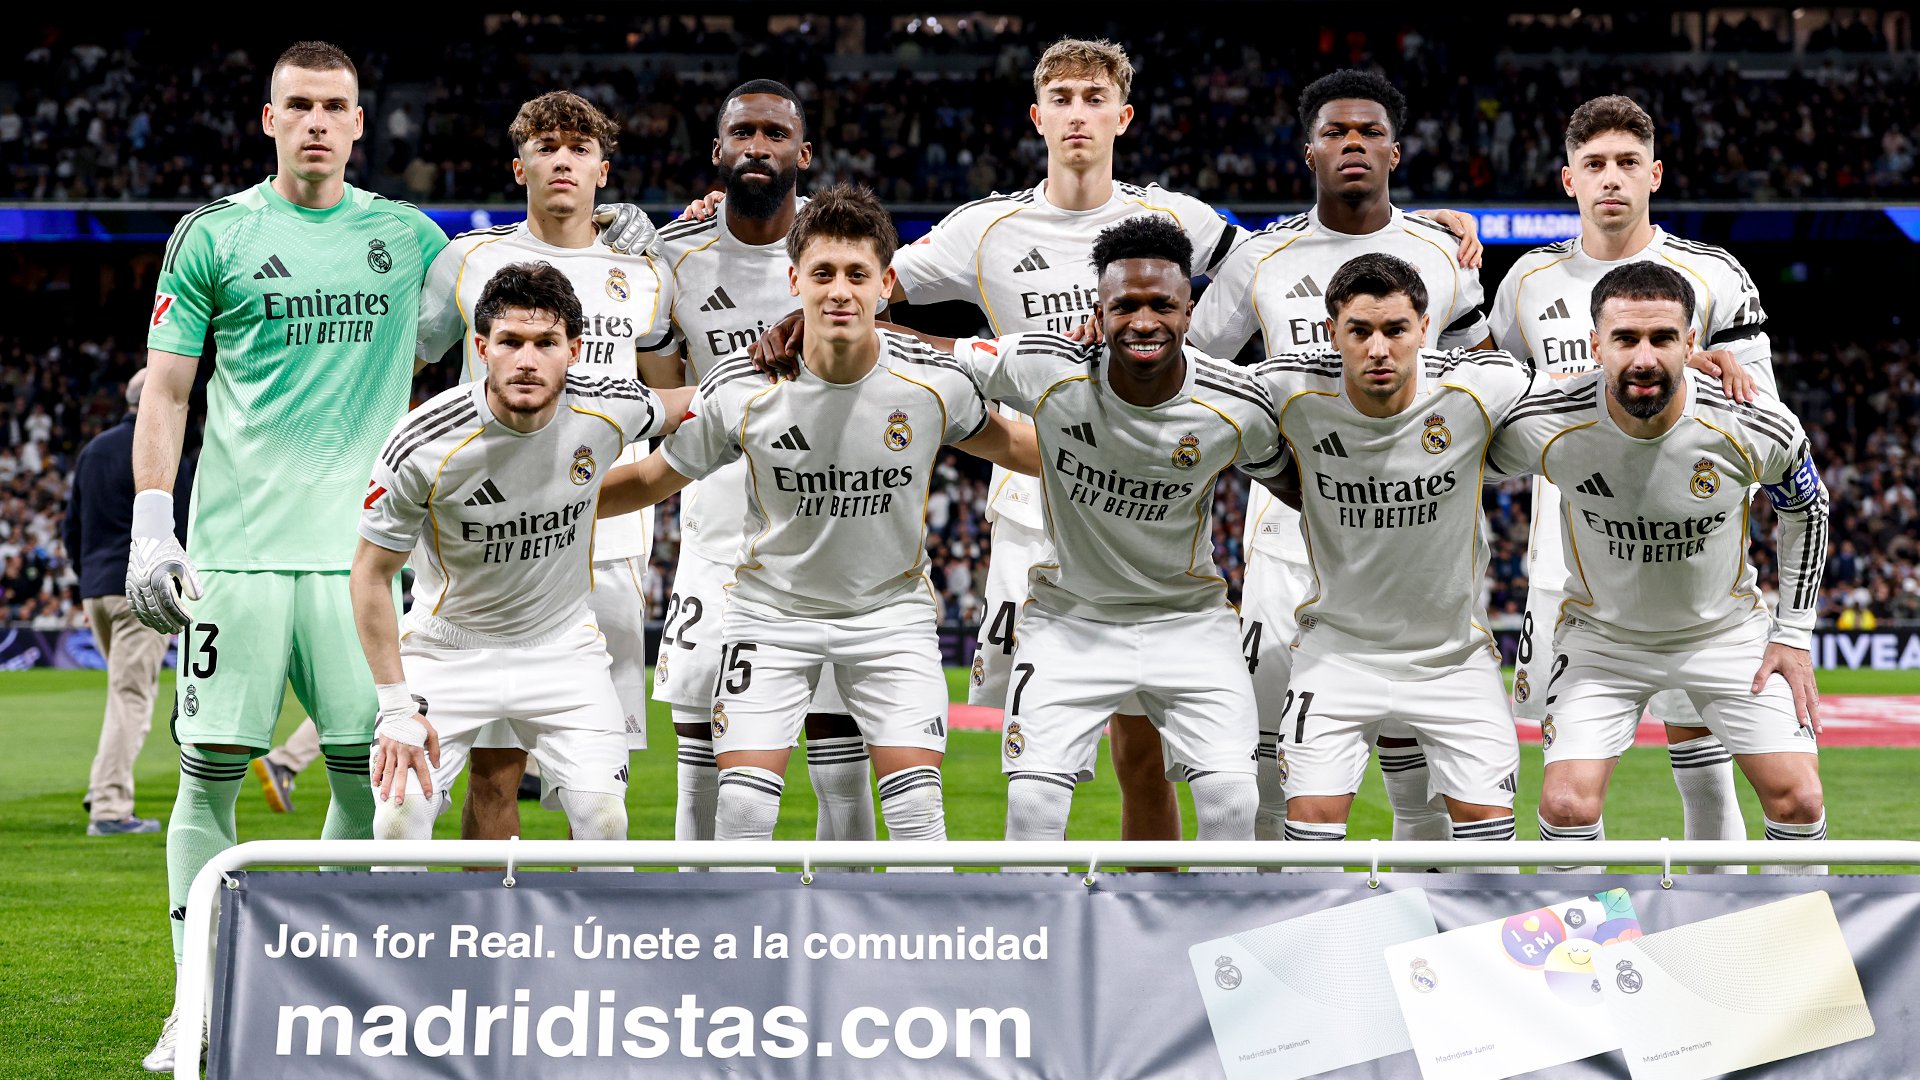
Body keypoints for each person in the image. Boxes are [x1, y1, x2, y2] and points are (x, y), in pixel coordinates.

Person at [125, 41, 448, 1072]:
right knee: (209, 777)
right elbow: (168, 389)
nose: (317, 121)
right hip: (238, 557)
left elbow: (511, 301)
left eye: (335, 106)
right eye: (298, 105)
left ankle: (335, 992)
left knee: (374, 781)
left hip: (361, 564)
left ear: (362, 125)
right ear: (270, 120)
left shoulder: (410, 238)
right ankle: (198, 1001)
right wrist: (150, 520)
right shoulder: (214, 234)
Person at [596, 185, 1037, 853]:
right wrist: (546, 499)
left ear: (886, 284)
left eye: (857, 275)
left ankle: (911, 958)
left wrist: (1137, 461)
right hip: (771, 617)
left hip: (889, 619)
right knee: (741, 811)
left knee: (918, 812)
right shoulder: (741, 389)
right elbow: (653, 479)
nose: (839, 291)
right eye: (823, 273)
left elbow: (1022, 451)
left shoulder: (934, 382)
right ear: (793, 278)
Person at [1186, 69, 1493, 850]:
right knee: (1263, 749)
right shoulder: (1263, 258)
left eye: (1368, 133)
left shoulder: (1441, 252)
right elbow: (1192, 373)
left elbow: (1483, 375)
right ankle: (1263, 928)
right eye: (1335, 133)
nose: (1351, 143)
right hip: (1288, 533)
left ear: (1395, 151)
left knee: (1420, 765)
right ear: (1308, 151)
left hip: (1418, 536)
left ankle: (1426, 939)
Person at [1489, 95, 1769, 869]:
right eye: (1593, 164)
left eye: (1625, 163)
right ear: (1568, 180)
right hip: (1566, 573)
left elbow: (1763, 416)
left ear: (1655, 174)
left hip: (1692, 577)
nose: (1611, 178)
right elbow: (1492, 396)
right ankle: (1585, 950)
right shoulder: (1528, 281)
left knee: (1706, 778)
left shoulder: (1713, 275)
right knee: (1568, 784)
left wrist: (1711, 376)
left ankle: (1716, 947)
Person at [950, 216, 1286, 845]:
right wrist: (840, 327)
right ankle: (1043, 942)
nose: (1143, 320)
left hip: (1189, 621)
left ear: (1190, 312)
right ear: (1097, 312)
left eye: (1162, 304)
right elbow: (933, 356)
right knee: (1031, 808)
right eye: (1123, 306)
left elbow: (1305, 482)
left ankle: (1207, 942)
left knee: (1233, 802)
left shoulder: (1235, 401)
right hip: (1069, 618)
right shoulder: (1048, 366)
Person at [1489, 263, 1829, 873]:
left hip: (1725, 635)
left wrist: (1793, 635)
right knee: (1566, 806)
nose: (1644, 358)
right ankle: (1583, 962)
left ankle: (1784, 963)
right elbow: (1454, 426)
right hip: (1602, 641)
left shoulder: (1751, 419)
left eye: (1663, 339)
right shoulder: (1550, 421)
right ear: (1595, 344)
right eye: (1625, 339)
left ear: (1692, 344)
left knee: (1799, 799)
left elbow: (1810, 506)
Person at [411, 90, 678, 842]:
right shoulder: (465, 262)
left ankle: (585, 939)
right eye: (546, 145)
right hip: (492, 535)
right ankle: (488, 932)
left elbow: (663, 390)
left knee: (598, 784)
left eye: (580, 147)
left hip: (610, 534)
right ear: (518, 165)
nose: (563, 158)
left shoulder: (646, 273)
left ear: (603, 168)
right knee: (497, 767)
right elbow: (413, 366)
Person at [358, 262, 691, 852]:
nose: (528, 359)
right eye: (510, 342)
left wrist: (794, 362)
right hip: (446, 650)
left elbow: (695, 401)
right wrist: (394, 708)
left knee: (604, 821)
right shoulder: (422, 442)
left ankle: (589, 944)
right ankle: (406, 945)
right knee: (398, 820)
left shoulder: (609, 406)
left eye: (546, 342)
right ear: (482, 348)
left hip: (563, 649)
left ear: (575, 349)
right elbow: (370, 575)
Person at [645, 80, 877, 853]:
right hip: (717, 533)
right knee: (700, 752)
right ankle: (702, 922)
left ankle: (852, 934)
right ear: (718, 152)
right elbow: (655, 386)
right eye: (742, 132)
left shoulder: (837, 250)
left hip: (829, 528)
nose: (758, 145)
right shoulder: (673, 255)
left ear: (802, 155)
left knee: (839, 757)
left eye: (776, 134)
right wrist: (734, 399)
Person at [1249, 253, 1530, 870]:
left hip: (1451, 658)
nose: (1379, 348)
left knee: (1491, 858)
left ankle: (1446, 959)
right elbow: (1183, 385)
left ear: (1425, 329)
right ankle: (1321, 965)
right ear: (1332, 333)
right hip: (1337, 654)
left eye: (1396, 330)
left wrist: (1689, 372)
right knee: (1308, 838)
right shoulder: (1286, 391)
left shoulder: (1484, 387)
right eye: (1360, 331)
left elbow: (1589, 397)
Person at [65, 369, 192, 836]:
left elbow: (71, 528)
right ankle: (110, 809)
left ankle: (104, 782)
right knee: (132, 697)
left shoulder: (92, 450)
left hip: (96, 590)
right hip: (138, 588)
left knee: (122, 694)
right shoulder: (166, 449)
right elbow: (186, 522)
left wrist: (88, 583)